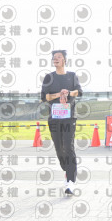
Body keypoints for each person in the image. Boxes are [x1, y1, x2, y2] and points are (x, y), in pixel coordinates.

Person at [40, 50, 83, 195]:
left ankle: (71, 181)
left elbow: (79, 92)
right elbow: (44, 97)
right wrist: (59, 94)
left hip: (69, 118)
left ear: (64, 60)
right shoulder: (49, 77)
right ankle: (67, 170)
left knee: (69, 147)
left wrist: (69, 93)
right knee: (59, 148)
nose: (55, 58)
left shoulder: (72, 76)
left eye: (59, 57)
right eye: (54, 57)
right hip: (54, 118)